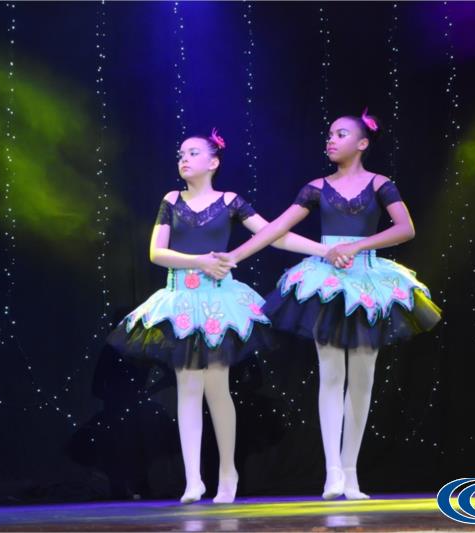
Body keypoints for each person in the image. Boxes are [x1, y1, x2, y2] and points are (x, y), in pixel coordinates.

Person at [216, 110, 443, 500]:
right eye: (329, 134)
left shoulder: (380, 184)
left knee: (363, 378)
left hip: (367, 280)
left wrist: (359, 245)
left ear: (362, 143)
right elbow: (275, 229)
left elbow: (405, 228)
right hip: (328, 282)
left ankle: (351, 472)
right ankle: (332, 471)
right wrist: (235, 254)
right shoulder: (316, 188)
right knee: (331, 375)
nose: (331, 140)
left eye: (340, 134)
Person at [107, 128, 328, 504]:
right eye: (181, 153)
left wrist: (324, 251)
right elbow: (156, 253)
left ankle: (228, 471)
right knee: (187, 388)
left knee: (217, 387)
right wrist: (200, 261)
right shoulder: (171, 200)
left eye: (193, 153)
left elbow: (274, 234)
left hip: (218, 302)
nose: (184, 158)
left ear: (213, 162)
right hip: (181, 298)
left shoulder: (230, 202)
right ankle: (193, 479)